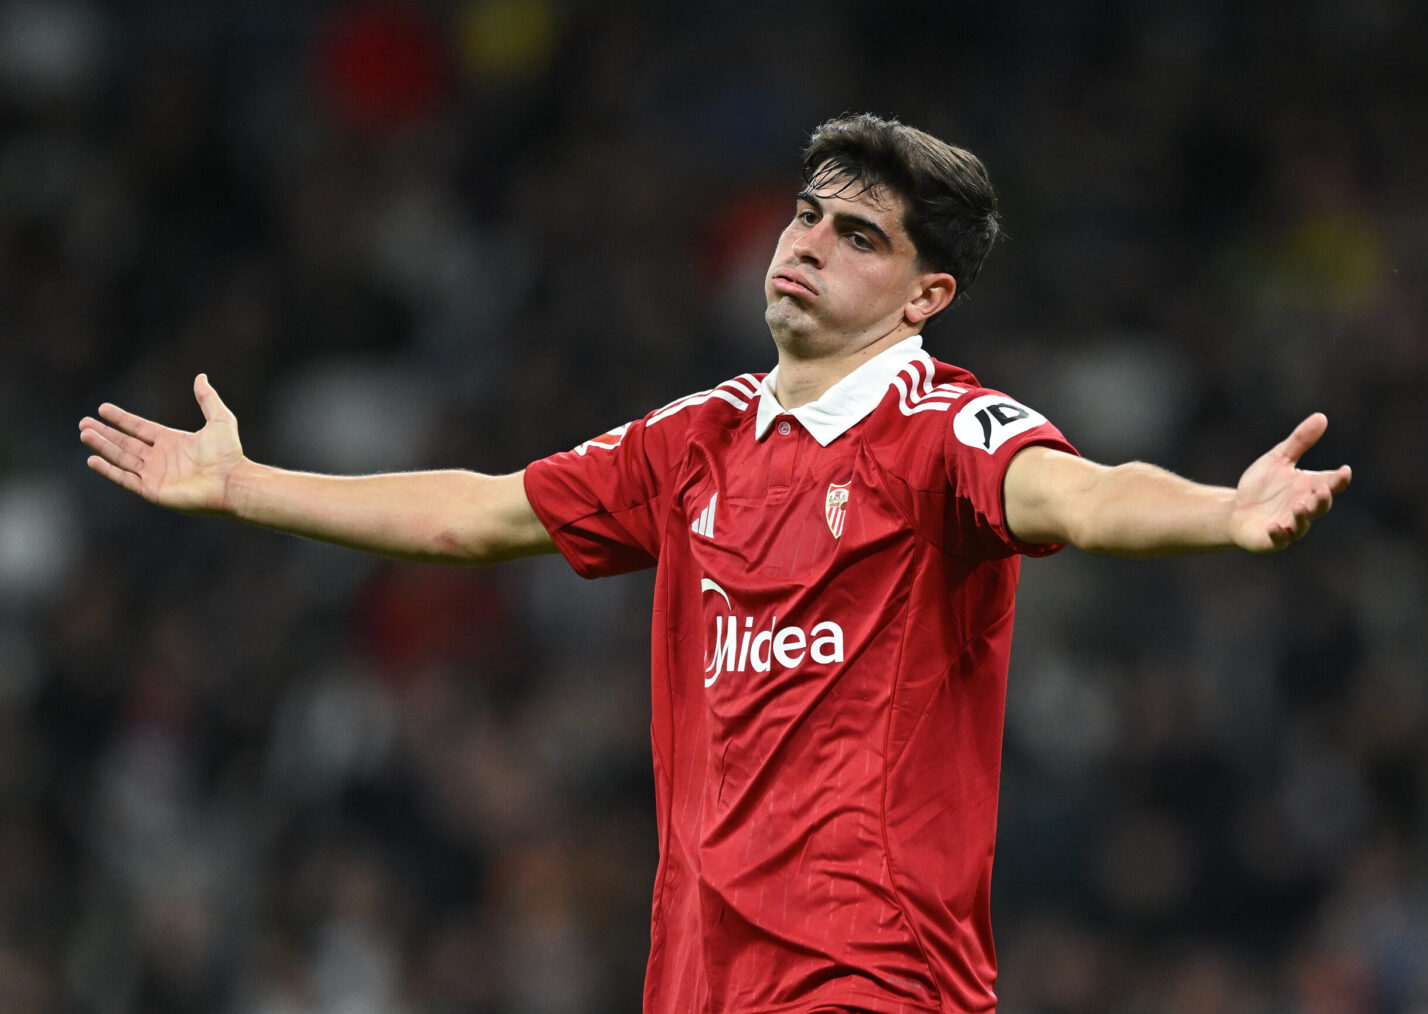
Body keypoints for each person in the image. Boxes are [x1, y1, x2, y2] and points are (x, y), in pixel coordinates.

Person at [79, 113, 1351, 1014]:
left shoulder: (947, 430)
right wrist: (245, 486)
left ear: (926, 297)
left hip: (871, 972)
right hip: (698, 972)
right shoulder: (696, 439)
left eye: (860, 235)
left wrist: (1221, 512)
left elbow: (1083, 490)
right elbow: (479, 514)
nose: (809, 242)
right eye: (808, 213)